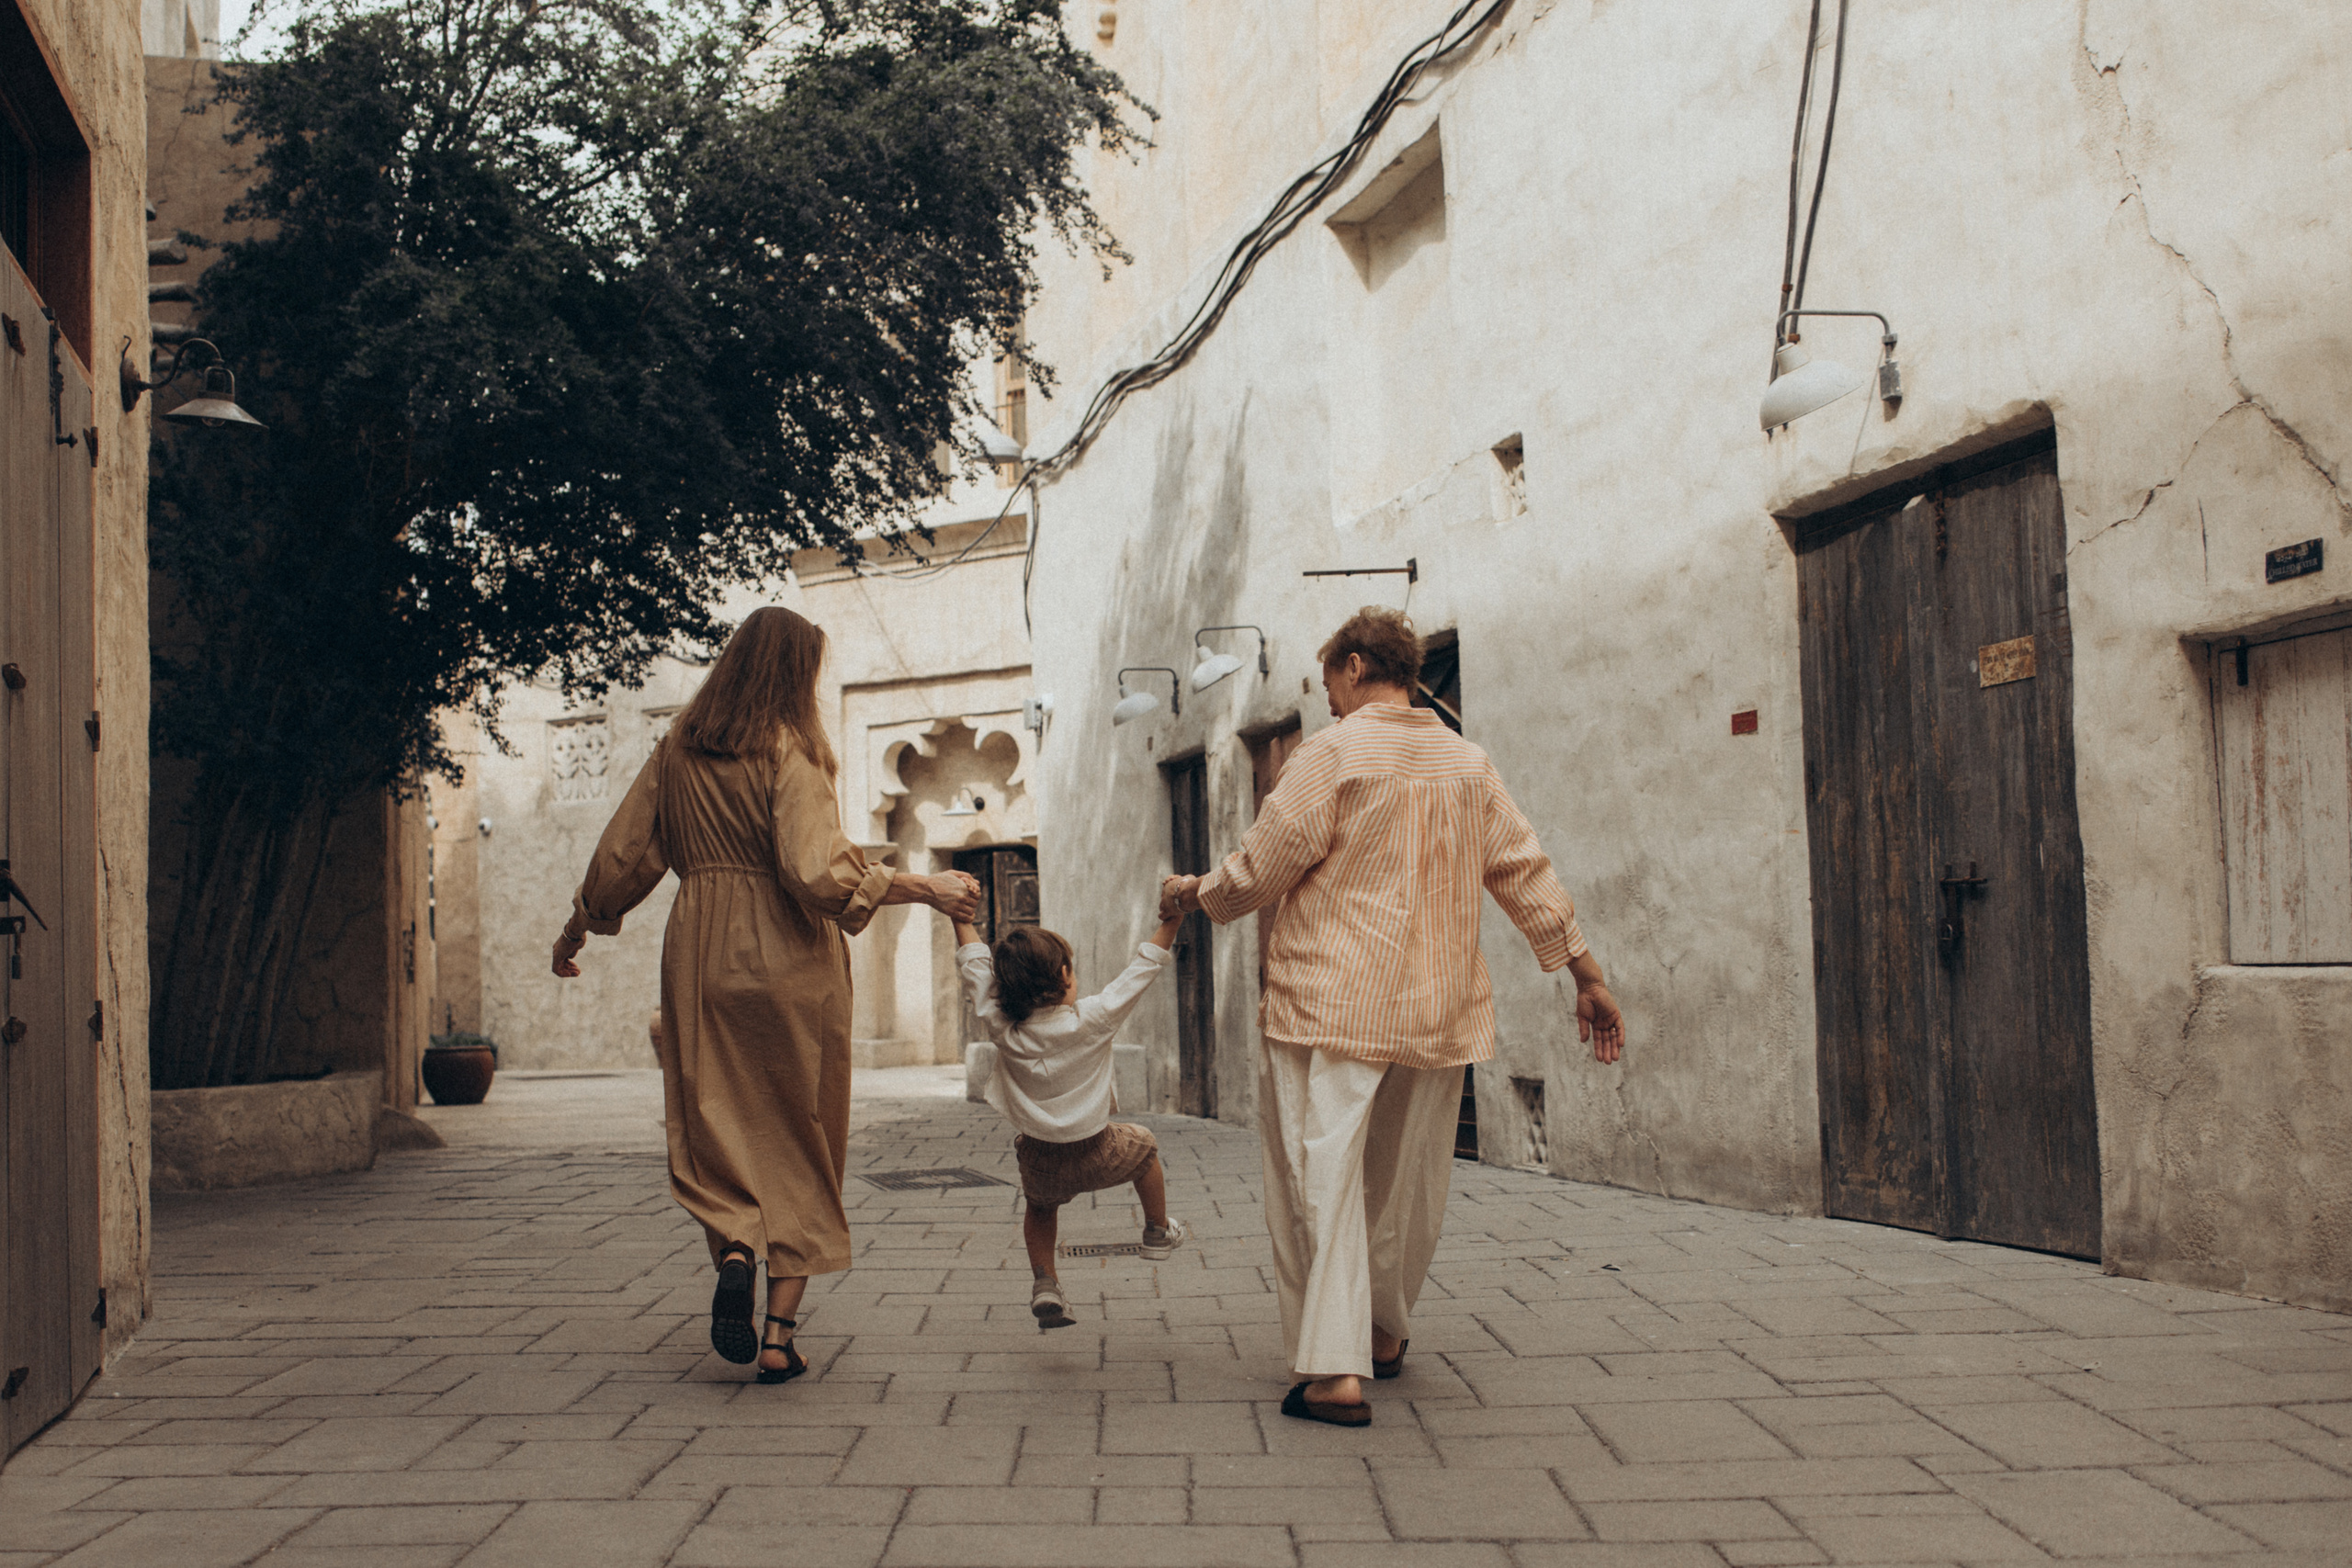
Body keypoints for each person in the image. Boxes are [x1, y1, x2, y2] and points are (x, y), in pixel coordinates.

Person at [1161, 606, 1624, 1427]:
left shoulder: (1330, 754)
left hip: (1330, 1004)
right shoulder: (1467, 760)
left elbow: (1261, 868)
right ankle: (1380, 1331)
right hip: (1437, 1007)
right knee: (1405, 1180)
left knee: (1323, 1178)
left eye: (1330, 681)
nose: (1330, 699)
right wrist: (1584, 972)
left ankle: (1334, 1370)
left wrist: (1200, 894)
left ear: (1350, 665)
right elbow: (1522, 867)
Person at [551, 606, 980, 1384]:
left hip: (700, 949)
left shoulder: (676, 750)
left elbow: (624, 853)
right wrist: (925, 886)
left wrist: (581, 923)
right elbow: (816, 869)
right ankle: (779, 1337)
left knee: (712, 1114)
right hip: (788, 955)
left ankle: (737, 1245)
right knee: (800, 1130)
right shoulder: (791, 749)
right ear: (794, 674)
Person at [955, 910, 1192, 1325]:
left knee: (1040, 1211)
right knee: (1146, 1147)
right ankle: (1156, 1230)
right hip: (1101, 1149)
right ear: (1066, 974)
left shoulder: (1001, 1026)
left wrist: (958, 916)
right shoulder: (1095, 1019)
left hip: (1039, 1157)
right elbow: (1144, 968)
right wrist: (1171, 918)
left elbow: (975, 968)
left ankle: (1045, 1282)